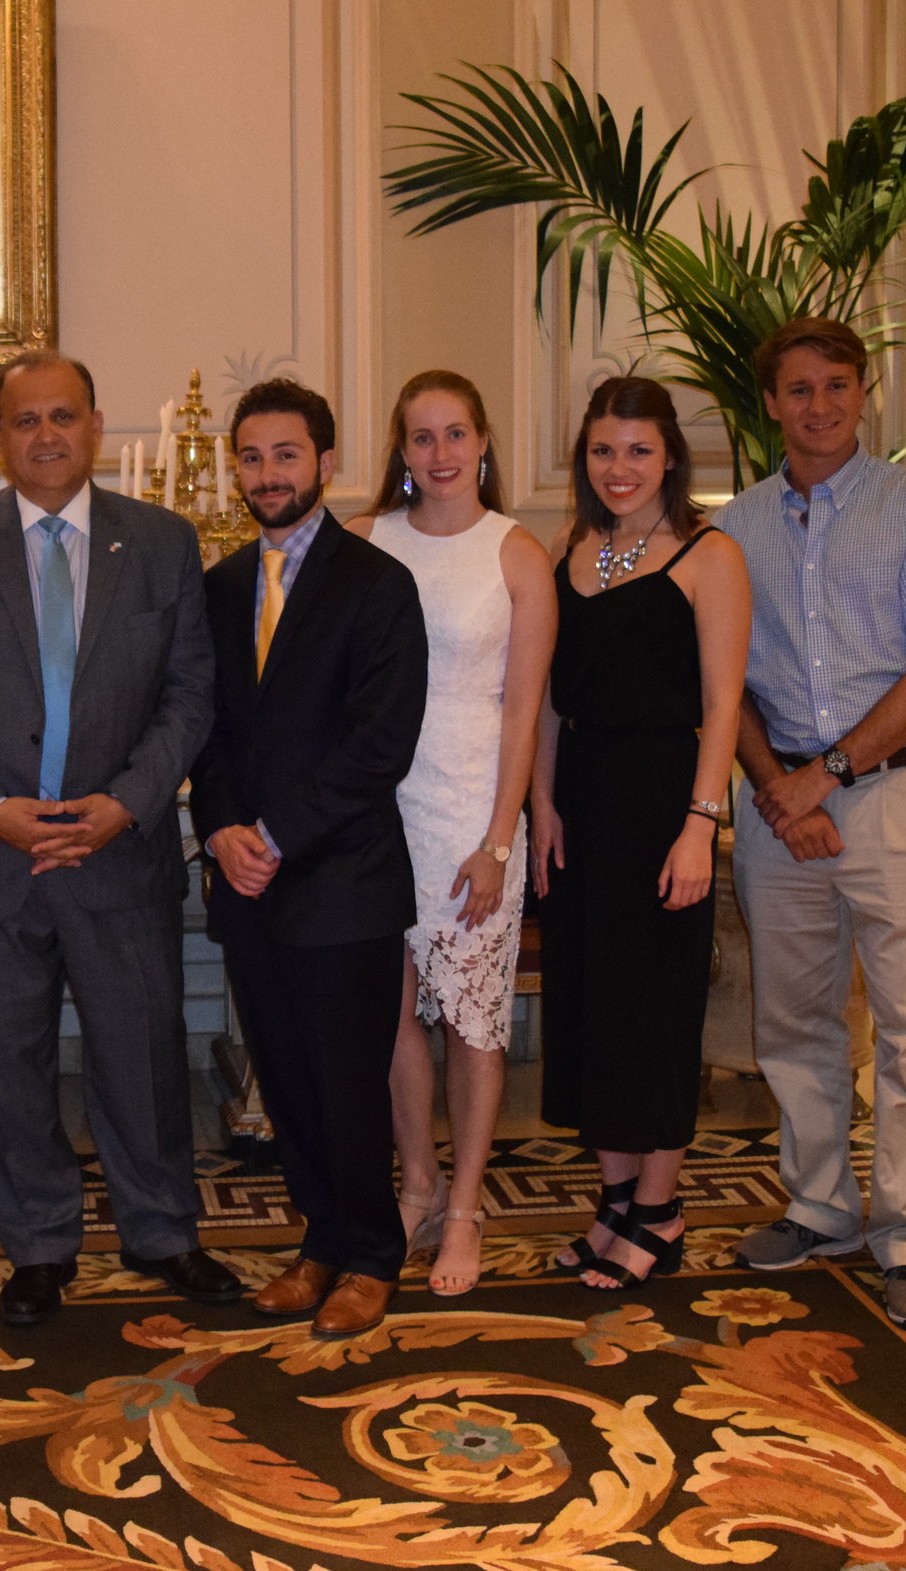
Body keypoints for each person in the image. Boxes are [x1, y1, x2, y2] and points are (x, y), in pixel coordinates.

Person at [0, 350, 231, 1327]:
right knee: (4, 1059)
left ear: (95, 425)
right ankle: (36, 1242)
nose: (45, 435)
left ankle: (163, 1230)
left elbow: (189, 691)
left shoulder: (162, 542)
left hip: (118, 847)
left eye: (63, 416)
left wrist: (126, 800)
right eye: (25, 420)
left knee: (144, 1053)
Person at [718, 316, 906, 1333]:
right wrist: (778, 786)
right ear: (771, 403)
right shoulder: (734, 527)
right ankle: (820, 1201)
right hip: (780, 810)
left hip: (897, 795)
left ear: (861, 391)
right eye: (798, 389)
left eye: (836, 386)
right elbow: (724, 684)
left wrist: (827, 775)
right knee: (793, 1021)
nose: (820, 405)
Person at [193, 378, 428, 1340]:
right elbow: (199, 730)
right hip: (247, 886)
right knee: (283, 1082)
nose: (267, 474)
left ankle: (372, 1255)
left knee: (347, 1083)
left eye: (286, 454)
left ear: (326, 462)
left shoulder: (377, 584)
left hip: (344, 883)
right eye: (250, 457)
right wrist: (219, 829)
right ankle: (319, 1243)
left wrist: (277, 837)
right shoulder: (214, 590)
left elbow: (380, 746)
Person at [532, 377, 751, 1290]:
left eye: (638, 450)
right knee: (590, 1008)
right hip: (578, 804)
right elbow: (545, 696)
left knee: (654, 1010)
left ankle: (660, 1208)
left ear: (670, 457)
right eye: (602, 450)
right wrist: (541, 804)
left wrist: (700, 826)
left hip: (663, 802)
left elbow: (724, 702)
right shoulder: (570, 545)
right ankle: (615, 1201)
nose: (619, 468)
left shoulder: (709, 555)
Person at [343, 370, 553, 1298]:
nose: (439, 453)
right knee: (388, 1014)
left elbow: (524, 710)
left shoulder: (518, 554)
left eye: (455, 433)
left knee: (473, 1021)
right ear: (400, 450)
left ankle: (465, 1201)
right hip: (378, 810)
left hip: (472, 809)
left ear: (482, 443)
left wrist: (500, 839)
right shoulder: (361, 543)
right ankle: (416, 1180)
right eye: (420, 437)